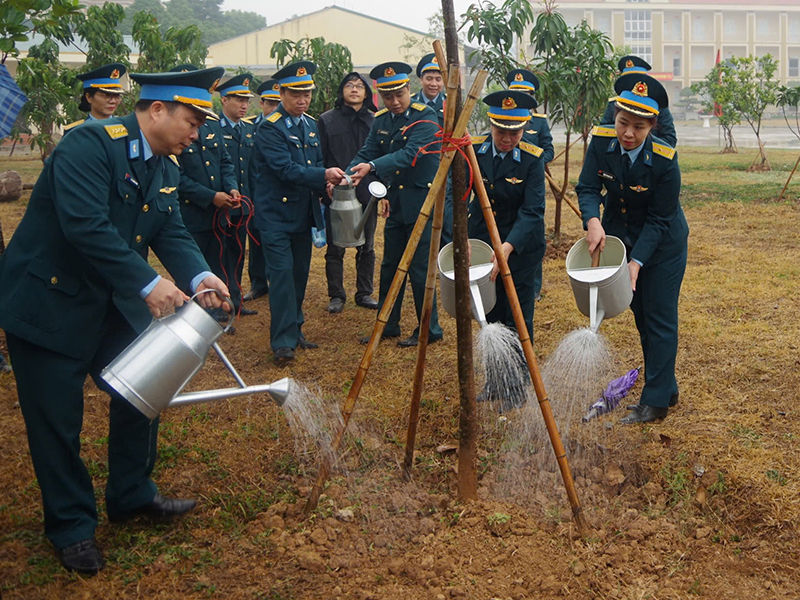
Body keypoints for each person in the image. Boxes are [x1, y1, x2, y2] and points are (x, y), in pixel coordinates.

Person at [0, 66, 231, 575]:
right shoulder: (89, 146)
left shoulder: (167, 166)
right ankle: (72, 527)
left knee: (144, 390)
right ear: (156, 110)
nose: (196, 134)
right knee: (57, 422)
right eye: (191, 122)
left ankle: (131, 495)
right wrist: (149, 284)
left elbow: (169, 230)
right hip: (49, 303)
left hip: (108, 304)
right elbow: (86, 225)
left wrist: (199, 278)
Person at [576, 72, 688, 424]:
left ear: (652, 126)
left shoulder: (666, 160)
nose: (627, 133)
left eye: (638, 127)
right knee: (641, 315)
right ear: (615, 117)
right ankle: (665, 387)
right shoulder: (602, 140)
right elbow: (587, 187)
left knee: (660, 317)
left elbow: (660, 219)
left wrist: (637, 261)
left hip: (663, 244)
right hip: (623, 239)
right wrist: (593, 220)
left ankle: (654, 404)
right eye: (623, 122)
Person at [253, 61, 345, 365]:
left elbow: (315, 161)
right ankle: (282, 342)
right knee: (280, 277)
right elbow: (285, 169)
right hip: (275, 216)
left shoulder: (309, 124)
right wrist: (323, 175)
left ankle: (295, 329)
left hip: (302, 215)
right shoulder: (270, 127)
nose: (302, 99)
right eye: (296, 94)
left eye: (307, 94)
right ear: (281, 93)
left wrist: (324, 189)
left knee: (298, 276)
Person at [348, 61, 443, 348]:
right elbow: (367, 151)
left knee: (418, 269)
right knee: (390, 265)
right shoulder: (382, 120)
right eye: (387, 96)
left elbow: (409, 155)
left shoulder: (425, 118)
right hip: (396, 203)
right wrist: (345, 174)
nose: (394, 101)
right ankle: (388, 323)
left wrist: (372, 165)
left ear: (409, 90)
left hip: (423, 204)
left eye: (399, 94)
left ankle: (430, 329)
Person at [469, 90, 546, 411]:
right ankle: (495, 381)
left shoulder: (532, 157)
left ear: (524, 129)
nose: (507, 139)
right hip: (483, 245)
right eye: (501, 131)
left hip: (521, 248)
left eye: (514, 132)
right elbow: (455, 195)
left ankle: (516, 387)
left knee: (516, 316)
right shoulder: (472, 151)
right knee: (490, 314)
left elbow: (533, 211)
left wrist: (508, 248)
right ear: (490, 125)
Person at [173, 65, 241, 325]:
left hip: (217, 212)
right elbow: (177, 178)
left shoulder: (212, 123)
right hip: (191, 211)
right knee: (190, 266)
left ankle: (215, 312)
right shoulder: (173, 130)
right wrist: (211, 196)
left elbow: (224, 161)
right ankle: (190, 317)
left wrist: (231, 187)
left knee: (218, 261)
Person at [317, 72, 379, 314]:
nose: (354, 89)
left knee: (368, 245)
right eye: (349, 85)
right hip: (337, 192)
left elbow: (380, 156)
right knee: (336, 247)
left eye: (360, 86)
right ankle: (336, 295)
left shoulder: (375, 120)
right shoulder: (327, 120)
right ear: (342, 90)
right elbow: (320, 155)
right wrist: (325, 184)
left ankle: (364, 293)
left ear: (367, 93)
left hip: (367, 192)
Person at [506, 69, 554, 302]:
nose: (521, 97)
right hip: (506, 182)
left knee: (533, 233)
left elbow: (549, 149)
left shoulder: (539, 123)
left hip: (531, 185)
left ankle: (534, 288)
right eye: (517, 93)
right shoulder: (503, 121)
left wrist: (534, 164)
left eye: (526, 93)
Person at [216, 73, 258, 316]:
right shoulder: (213, 127)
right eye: (238, 99)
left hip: (244, 203)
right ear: (223, 100)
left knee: (239, 251)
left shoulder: (250, 129)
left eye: (246, 100)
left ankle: (236, 298)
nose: (244, 105)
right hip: (220, 204)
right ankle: (220, 302)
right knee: (221, 253)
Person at [243, 78, 281, 302]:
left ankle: (276, 281)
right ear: (262, 104)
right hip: (254, 195)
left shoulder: (286, 127)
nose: (274, 108)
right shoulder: (249, 127)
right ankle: (258, 283)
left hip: (278, 196)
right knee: (255, 241)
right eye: (270, 103)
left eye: (278, 103)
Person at [412, 53, 453, 246]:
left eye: (438, 79)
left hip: (445, 172)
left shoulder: (451, 105)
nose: (434, 84)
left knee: (445, 222)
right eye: (429, 78)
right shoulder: (411, 105)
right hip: (417, 173)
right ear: (421, 79)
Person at [599, 56, 677, 147]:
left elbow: (670, 138)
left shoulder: (658, 107)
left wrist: (641, 148)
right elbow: (603, 134)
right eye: (629, 80)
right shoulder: (613, 105)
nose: (634, 84)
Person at [63, 63, 126, 135]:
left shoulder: (126, 128)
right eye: (106, 95)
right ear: (89, 97)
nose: (113, 101)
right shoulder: (75, 132)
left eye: (117, 96)